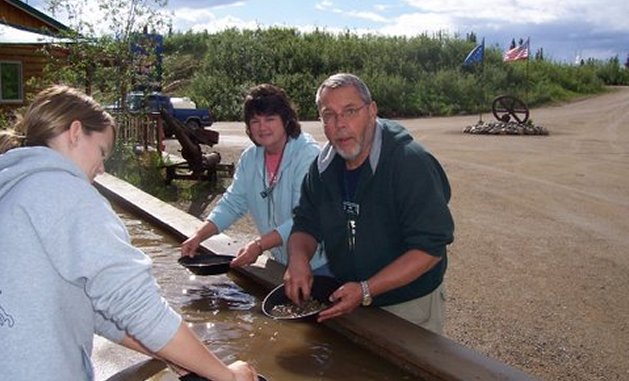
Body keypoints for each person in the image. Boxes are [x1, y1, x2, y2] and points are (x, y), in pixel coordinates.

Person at [0, 85, 257, 381]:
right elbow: (138, 307)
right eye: (101, 151)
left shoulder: (13, 185)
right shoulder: (66, 193)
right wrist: (227, 376)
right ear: (74, 132)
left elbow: (94, 309)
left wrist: (167, 351)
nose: (101, 168)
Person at [284, 73, 455, 334]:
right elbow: (305, 224)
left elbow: (429, 249)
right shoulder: (322, 169)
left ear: (372, 111)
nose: (340, 124)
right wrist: (297, 259)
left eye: (350, 111)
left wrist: (367, 289)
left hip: (408, 304)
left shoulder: (410, 163)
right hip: (349, 295)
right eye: (329, 115)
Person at [181, 84, 328, 274]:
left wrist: (259, 245)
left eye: (270, 119)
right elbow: (232, 204)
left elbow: (303, 218)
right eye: (255, 121)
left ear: (286, 120)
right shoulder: (250, 158)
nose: (262, 127)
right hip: (281, 261)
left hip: (319, 262)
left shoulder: (307, 155)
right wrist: (198, 236)